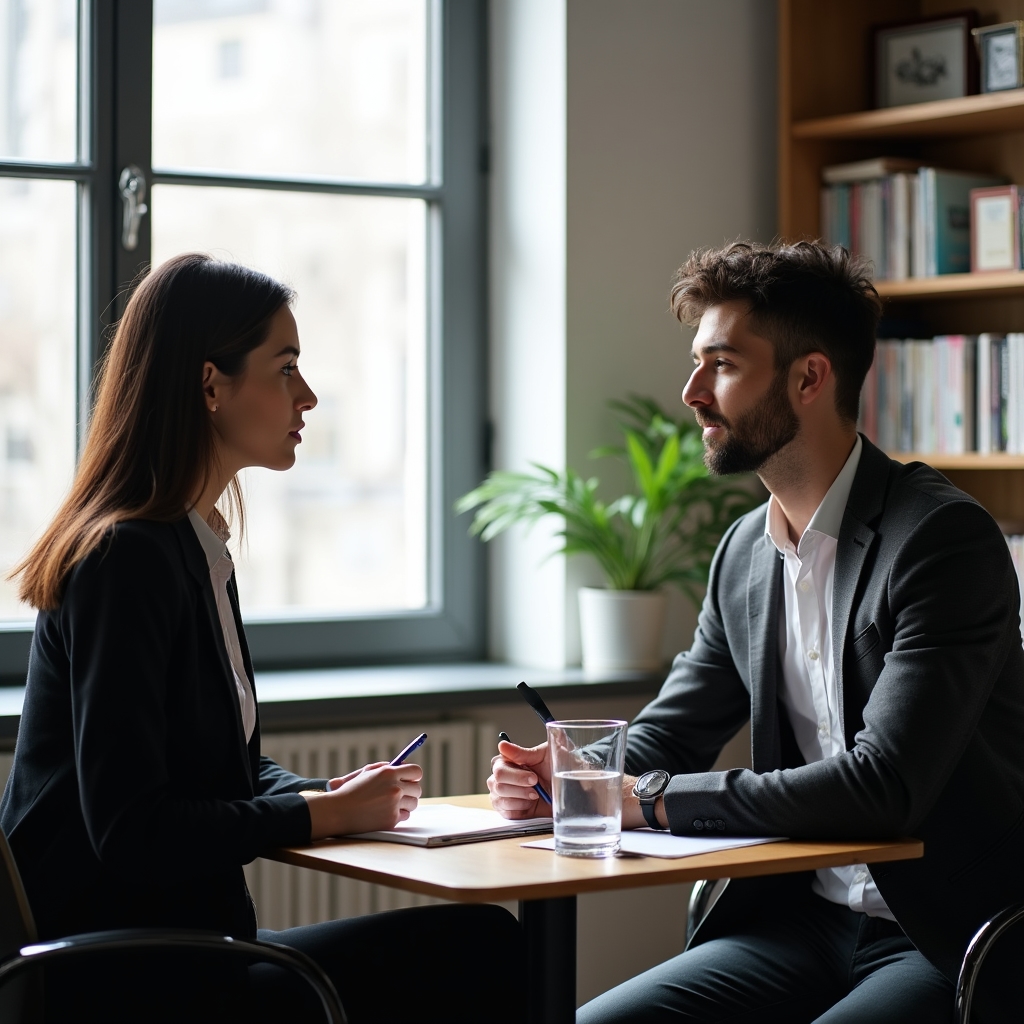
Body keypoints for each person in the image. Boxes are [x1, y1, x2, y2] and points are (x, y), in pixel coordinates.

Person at [489, 241, 1024, 1023]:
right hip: (797, 923)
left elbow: (885, 791)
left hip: (943, 933)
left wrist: (653, 800)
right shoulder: (745, 551)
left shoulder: (941, 540)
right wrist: (574, 773)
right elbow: (669, 737)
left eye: (723, 366)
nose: (692, 392)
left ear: (809, 378)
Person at [0, 253, 524, 1023]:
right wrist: (320, 818)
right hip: (130, 980)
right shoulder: (127, 559)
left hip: (185, 955)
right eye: (286, 369)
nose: (307, 397)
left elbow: (218, 766)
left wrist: (318, 795)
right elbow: (134, 829)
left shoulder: (193, 543)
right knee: (481, 948)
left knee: (475, 943)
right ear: (210, 385)